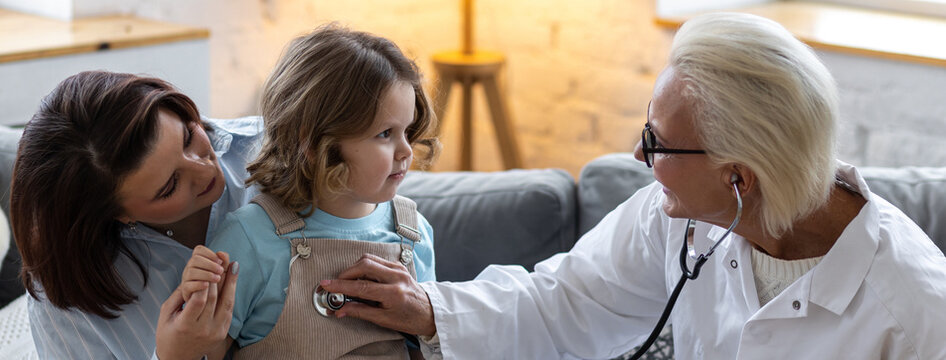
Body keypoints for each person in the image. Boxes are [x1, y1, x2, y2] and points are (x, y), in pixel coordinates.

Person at [318, 12, 946, 359]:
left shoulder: (918, 313)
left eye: (658, 142)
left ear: (739, 177)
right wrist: (431, 308)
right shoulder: (680, 214)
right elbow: (563, 303)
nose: (636, 153)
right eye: (646, 127)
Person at [184, 25, 440, 359]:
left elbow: (433, 344)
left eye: (406, 131)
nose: (406, 150)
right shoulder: (250, 238)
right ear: (313, 143)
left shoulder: (415, 232)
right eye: (384, 134)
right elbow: (212, 350)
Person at [12, 71, 263, 360]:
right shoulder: (67, 299)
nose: (205, 169)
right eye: (169, 187)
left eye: (187, 137)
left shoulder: (278, 149)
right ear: (116, 215)